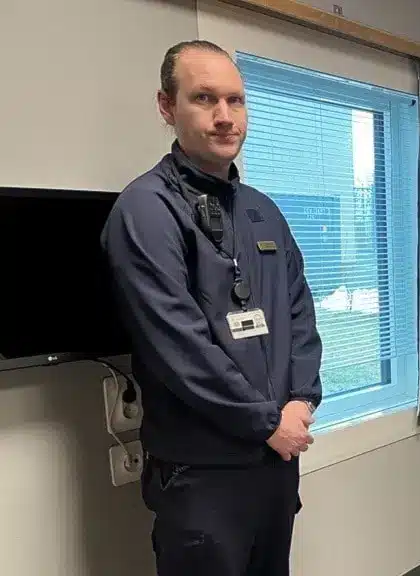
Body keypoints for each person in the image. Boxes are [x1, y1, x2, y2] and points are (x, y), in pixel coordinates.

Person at [101, 40, 323, 576]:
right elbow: (179, 346)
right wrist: (267, 422)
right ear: (166, 106)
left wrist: (301, 398)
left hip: (274, 462)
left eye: (235, 100)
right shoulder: (146, 210)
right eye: (204, 98)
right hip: (202, 474)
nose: (225, 116)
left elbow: (299, 313)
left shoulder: (262, 211)